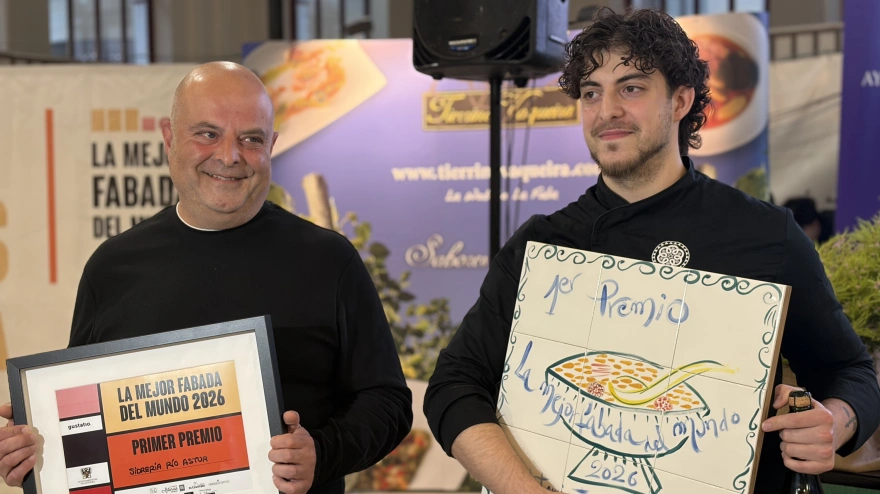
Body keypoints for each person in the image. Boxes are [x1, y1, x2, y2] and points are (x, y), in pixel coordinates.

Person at [424, 8, 880, 493]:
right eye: (591, 93)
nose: (607, 111)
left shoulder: (764, 233)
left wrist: (835, 420)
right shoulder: (543, 246)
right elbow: (454, 387)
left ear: (681, 100)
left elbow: (848, 371)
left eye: (632, 87)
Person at [0, 61, 412, 493]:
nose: (229, 156)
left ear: (271, 145)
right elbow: (83, 413)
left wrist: (322, 453)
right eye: (208, 133)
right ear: (169, 138)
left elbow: (388, 402)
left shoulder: (328, 260)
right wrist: (35, 452)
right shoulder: (113, 267)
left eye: (250, 139)